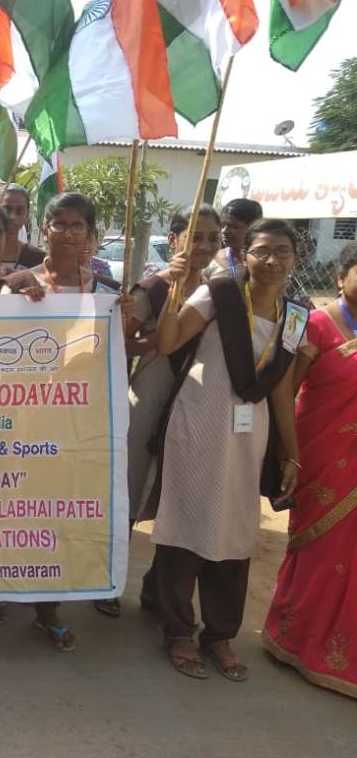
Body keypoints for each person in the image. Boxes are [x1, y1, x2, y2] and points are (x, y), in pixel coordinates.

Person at [152, 218, 305, 682]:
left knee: (236, 530)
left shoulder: (295, 317)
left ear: (295, 258)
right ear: (245, 254)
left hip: (248, 436)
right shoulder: (219, 294)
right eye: (262, 251)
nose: (272, 261)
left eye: (282, 252)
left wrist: (291, 453)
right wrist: (175, 289)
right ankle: (178, 630)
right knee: (187, 521)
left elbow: (281, 391)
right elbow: (167, 342)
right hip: (198, 423)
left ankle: (219, 634)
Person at [1, 192, 129, 651]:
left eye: (79, 226)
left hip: (84, 423)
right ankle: (3, 586)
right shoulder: (21, 283)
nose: (69, 234)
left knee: (67, 509)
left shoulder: (106, 292)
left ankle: (49, 607)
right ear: (45, 228)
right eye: (60, 224)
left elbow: (119, 354)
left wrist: (128, 324)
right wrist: (16, 303)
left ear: (90, 234)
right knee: (22, 506)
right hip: (30, 421)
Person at [100, 204, 221, 619]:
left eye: (212, 238)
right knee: (130, 491)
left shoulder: (217, 292)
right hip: (150, 396)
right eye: (195, 237)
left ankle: (157, 587)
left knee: (175, 493)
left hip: (194, 401)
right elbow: (119, 343)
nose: (203, 246)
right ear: (174, 240)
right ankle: (110, 581)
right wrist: (161, 337)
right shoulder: (152, 288)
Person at [263, 241, 357, 699]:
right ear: (341, 277)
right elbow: (282, 390)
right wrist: (290, 453)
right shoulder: (312, 323)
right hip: (320, 456)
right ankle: (294, 638)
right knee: (321, 550)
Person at [205, 198, 263, 281]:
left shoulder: (264, 263)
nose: (224, 231)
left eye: (234, 226)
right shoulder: (210, 259)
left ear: (252, 227)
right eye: (222, 225)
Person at [0, 185, 44, 273]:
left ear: (27, 215)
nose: (12, 217)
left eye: (19, 211)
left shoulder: (37, 258)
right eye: (6, 209)